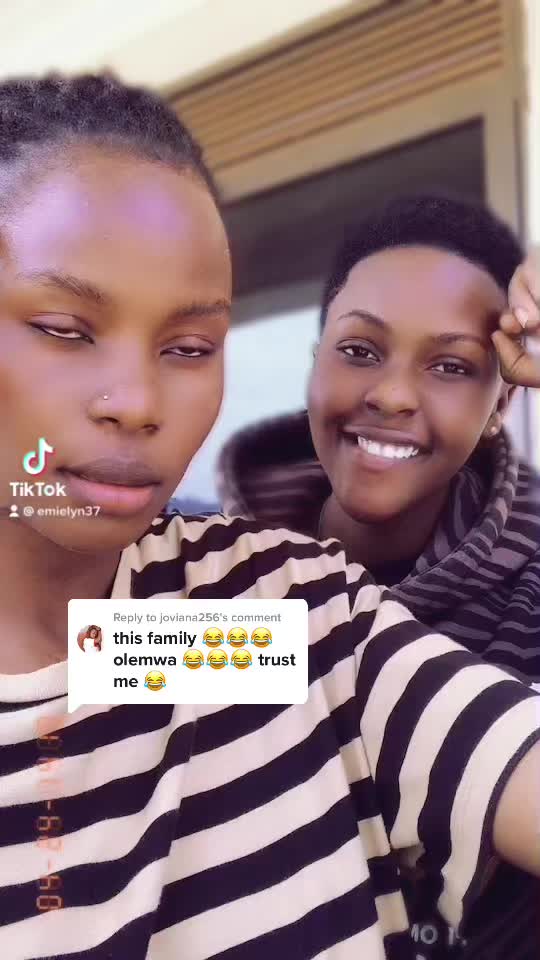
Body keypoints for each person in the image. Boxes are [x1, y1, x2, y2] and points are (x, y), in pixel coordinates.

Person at [0, 74, 540, 960]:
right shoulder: (174, 635)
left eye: (190, 347)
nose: (137, 402)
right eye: (65, 328)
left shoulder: (252, 616)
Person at [219, 196, 540, 958]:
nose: (393, 394)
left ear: (500, 402)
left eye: (452, 366)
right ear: (315, 361)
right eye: (360, 350)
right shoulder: (197, 581)